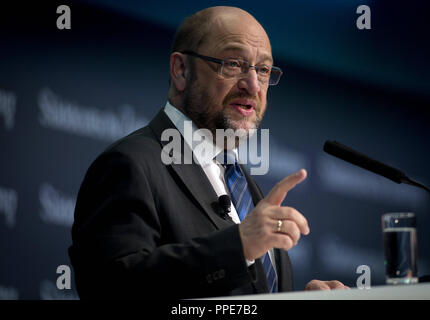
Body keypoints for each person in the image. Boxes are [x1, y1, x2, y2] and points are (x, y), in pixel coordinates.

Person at [69, 6, 347, 299]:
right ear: (181, 70)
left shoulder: (243, 185)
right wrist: (237, 247)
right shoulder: (130, 164)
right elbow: (110, 287)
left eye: (263, 70)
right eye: (233, 63)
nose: (253, 85)